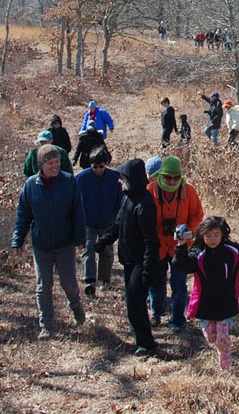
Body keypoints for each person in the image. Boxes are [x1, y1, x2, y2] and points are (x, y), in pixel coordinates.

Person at [173, 216, 239, 371]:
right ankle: (219, 347)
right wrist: (181, 245)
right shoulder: (198, 252)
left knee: (222, 339)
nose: (212, 239)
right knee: (212, 337)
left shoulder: (232, 250)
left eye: (216, 235)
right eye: (208, 236)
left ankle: (225, 368)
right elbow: (182, 265)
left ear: (223, 234)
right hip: (204, 304)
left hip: (226, 302)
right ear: (202, 236)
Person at [11, 144, 86, 338]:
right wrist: (17, 240)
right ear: (41, 165)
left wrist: (80, 238)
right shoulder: (30, 185)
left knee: (69, 283)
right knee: (43, 286)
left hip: (64, 243)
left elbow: (78, 212)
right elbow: (23, 215)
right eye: (50, 163)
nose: (55, 166)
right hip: (41, 245)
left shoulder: (69, 182)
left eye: (57, 162)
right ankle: (46, 325)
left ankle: (77, 309)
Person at [96, 158, 159, 356]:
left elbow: (151, 241)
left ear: (131, 180)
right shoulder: (127, 198)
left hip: (141, 262)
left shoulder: (145, 205)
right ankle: (141, 340)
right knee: (132, 302)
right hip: (129, 261)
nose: (119, 181)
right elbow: (117, 224)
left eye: (122, 178)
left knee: (135, 303)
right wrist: (104, 241)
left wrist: (148, 270)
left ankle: (146, 344)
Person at [147, 155, 204, 331]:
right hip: (157, 246)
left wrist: (188, 228)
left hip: (181, 247)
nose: (172, 181)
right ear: (161, 175)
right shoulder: (150, 190)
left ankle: (177, 320)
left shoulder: (189, 191)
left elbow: (197, 214)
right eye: (167, 177)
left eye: (176, 177)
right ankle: (156, 313)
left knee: (179, 285)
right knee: (156, 283)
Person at [76, 145, 123, 297]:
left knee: (107, 251)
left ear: (106, 164)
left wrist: (115, 216)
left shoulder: (115, 178)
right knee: (88, 249)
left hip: (108, 221)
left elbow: (120, 200)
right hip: (88, 221)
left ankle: (104, 279)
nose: (98, 170)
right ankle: (89, 281)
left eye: (101, 166)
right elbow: (76, 200)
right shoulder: (81, 178)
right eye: (94, 166)